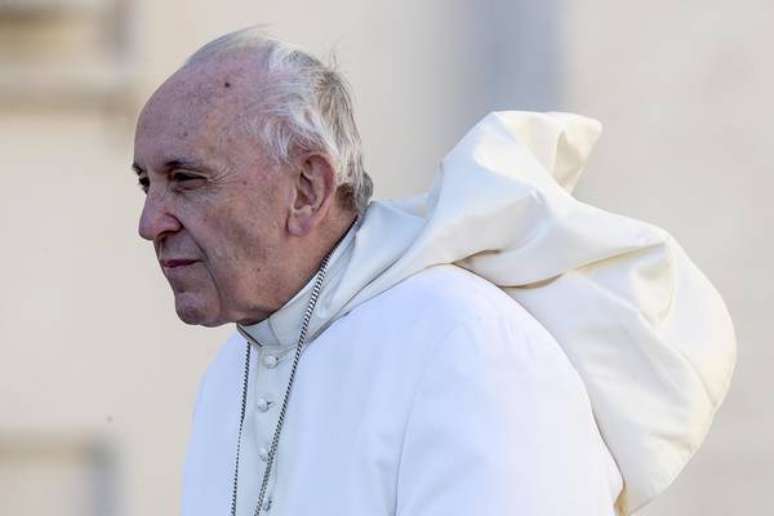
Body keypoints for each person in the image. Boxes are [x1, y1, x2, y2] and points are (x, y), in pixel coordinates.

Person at [132, 28, 736, 516]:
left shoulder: (464, 343)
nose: (150, 220)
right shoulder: (229, 375)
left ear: (307, 190)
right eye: (146, 183)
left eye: (186, 179)